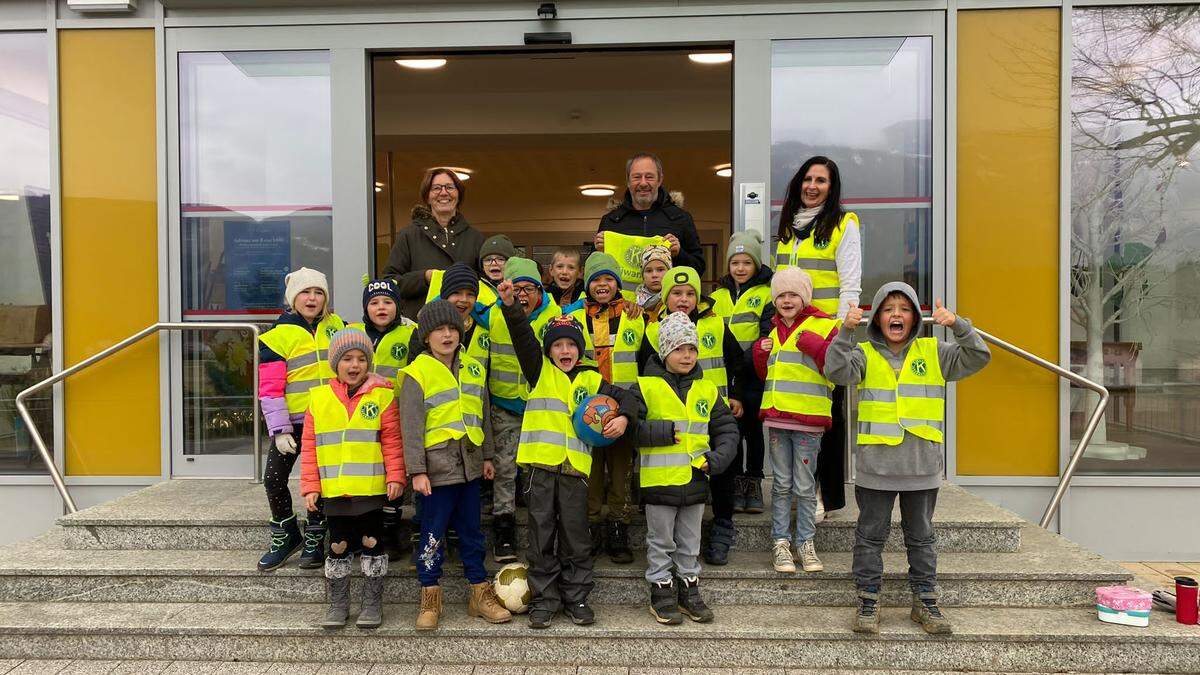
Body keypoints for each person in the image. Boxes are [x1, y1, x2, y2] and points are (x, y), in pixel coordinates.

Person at [825, 283, 990, 635]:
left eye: (904, 308)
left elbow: (979, 357)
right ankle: (868, 601)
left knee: (922, 538)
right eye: (888, 309)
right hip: (876, 469)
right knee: (870, 536)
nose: (895, 314)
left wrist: (958, 324)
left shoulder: (936, 352)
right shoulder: (864, 354)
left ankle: (925, 601)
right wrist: (845, 330)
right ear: (878, 318)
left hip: (921, 468)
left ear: (915, 317)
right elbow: (835, 370)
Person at [498, 286, 637, 628]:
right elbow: (522, 336)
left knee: (576, 536)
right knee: (541, 535)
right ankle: (545, 599)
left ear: (580, 349)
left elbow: (632, 399)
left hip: (575, 472)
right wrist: (512, 306)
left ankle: (576, 596)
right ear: (549, 350)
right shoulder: (539, 369)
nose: (565, 350)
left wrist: (623, 418)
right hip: (539, 471)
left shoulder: (592, 378)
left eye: (571, 344)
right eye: (558, 345)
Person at [401, 300, 512, 630]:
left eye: (452, 328)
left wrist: (489, 456)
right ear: (426, 337)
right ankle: (430, 596)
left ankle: (480, 593)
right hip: (436, 471)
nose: (447, 335)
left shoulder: (475, 367)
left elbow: (483, 414)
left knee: (472, 533)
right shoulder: (415, 373)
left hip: (471, 466)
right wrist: (416, 471)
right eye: (439, 330)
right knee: (432, 535)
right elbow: (411, 426)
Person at [630, 311, 738, 625]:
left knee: (690, 541)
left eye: (691, 348)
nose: (687, 355)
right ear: (664, 352)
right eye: (679, 349)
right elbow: (631, 429)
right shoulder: (645, 386)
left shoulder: (707, 390)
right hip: (659, 483)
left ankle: (689, 588)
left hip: (695, 482)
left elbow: (728, 432)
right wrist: (660, 433)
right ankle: (661, 588)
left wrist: (716, 461)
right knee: (661, 540)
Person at [773, 156, 862, 519]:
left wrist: (839, 338)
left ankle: (824, 494)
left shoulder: (844, 224)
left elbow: (850, 284)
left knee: (826, 416)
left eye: (821, 181)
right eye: (807, 179)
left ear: (832, 187)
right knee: (793, 414)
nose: (812, 186)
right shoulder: (788, 226)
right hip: (789, 334)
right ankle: (797, 490)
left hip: (824, 334)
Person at [299, 328, 406, 630]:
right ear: (336, 364)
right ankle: (339, 602)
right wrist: (310, 485)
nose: (355, 365)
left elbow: (392, 441)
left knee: (372, 542)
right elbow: (309, 447)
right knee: (338, 545)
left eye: (361, 358)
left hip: (369, 490)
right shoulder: (318, 399)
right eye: (347, 358)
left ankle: (371, 602)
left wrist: (396, 475)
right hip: (334, 492)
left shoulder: (383, 397)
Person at [256, 267, 345, 572]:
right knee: (274, 479)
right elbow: (270, 389)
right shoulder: (276, 337)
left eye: (318, 292)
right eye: (305, 292)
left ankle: (315, 538)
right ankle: (286, 533)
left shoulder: (339, 326)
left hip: (328, 421)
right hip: (292, 423)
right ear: (293, 297)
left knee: (318, 482)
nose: (312, 298)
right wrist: (279, 430)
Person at [752, 267, 839, 575]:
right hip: (777, 420)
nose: (787, 300)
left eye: (793, 294)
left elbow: (837, 367)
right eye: (781, 295)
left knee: (803, 486)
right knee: (780, 485)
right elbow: (768, 375)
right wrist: (760, 355)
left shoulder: (825, 325)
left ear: (804, 297)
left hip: (808, 422)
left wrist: (816, 346)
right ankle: (781, 543)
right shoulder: (774, 332)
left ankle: (805, 542)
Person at [564, 252, 644, 564]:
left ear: (618, 284)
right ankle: (592, 526)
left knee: (621, 472)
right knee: (592, 472)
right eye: (596, 278)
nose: (603, 284)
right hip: (588, 410)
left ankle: (619, 529)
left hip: (624, 408)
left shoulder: (635, 316)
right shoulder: (574, 315)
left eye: (609, 278)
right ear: (587, 283)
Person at [483, 257, 563, 562]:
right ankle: (503, 530)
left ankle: (539, 531)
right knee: (505, 470)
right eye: (516, 288)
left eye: (529, 288)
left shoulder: (556, 317)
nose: (523, 295)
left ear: (541, 290)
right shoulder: (491, 317)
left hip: (542, 408)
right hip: (504, 406)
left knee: (537, 473)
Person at [348, 278, 417, 560]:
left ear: (398, 305)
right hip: (360, 419)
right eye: (374, 302)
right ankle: (362, 530)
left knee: (394, 472)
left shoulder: (410, 332)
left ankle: (389, 530)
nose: (381, 307)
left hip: (395, 415)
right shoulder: (351, 332)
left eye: (387, 302)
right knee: (366, 472)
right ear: (366, 307)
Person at [710, 230, 773, 517]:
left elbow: (765, 335)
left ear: (756, 265)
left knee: (752, 430)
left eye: (747, 262)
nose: (740, 268)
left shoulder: (766, 293)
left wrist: (742, 362)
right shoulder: (717, 296)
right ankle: (736, 482)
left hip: (753, 374)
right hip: (724, 376)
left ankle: (754, 480)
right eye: (735, 262)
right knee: (731, 430)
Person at [383, 168, 486, 320]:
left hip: (467, 330)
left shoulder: (476, 238)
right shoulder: (408, 236)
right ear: (427, 197)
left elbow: (487, 285)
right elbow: (389, 283)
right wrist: (424, 277)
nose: (444, 193)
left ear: (459, 195)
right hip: (419, 328)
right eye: (436, 188)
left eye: (450, 187)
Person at [595, 153, 706, 292]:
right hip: (623, 309)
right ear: (628, 181)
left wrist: (679, 254)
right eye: (636, 177)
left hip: (667, 309)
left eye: (649, 177)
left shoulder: (680, 218)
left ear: (659, 180)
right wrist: (599, 253)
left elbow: (699, 268)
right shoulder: (611, 221)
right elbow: (594, 274)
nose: (643, 183)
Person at [635, 244, 672, 322]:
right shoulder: (634, 302)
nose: (654, 275)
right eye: (649, 271)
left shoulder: (677, 299)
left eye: (660, 270)